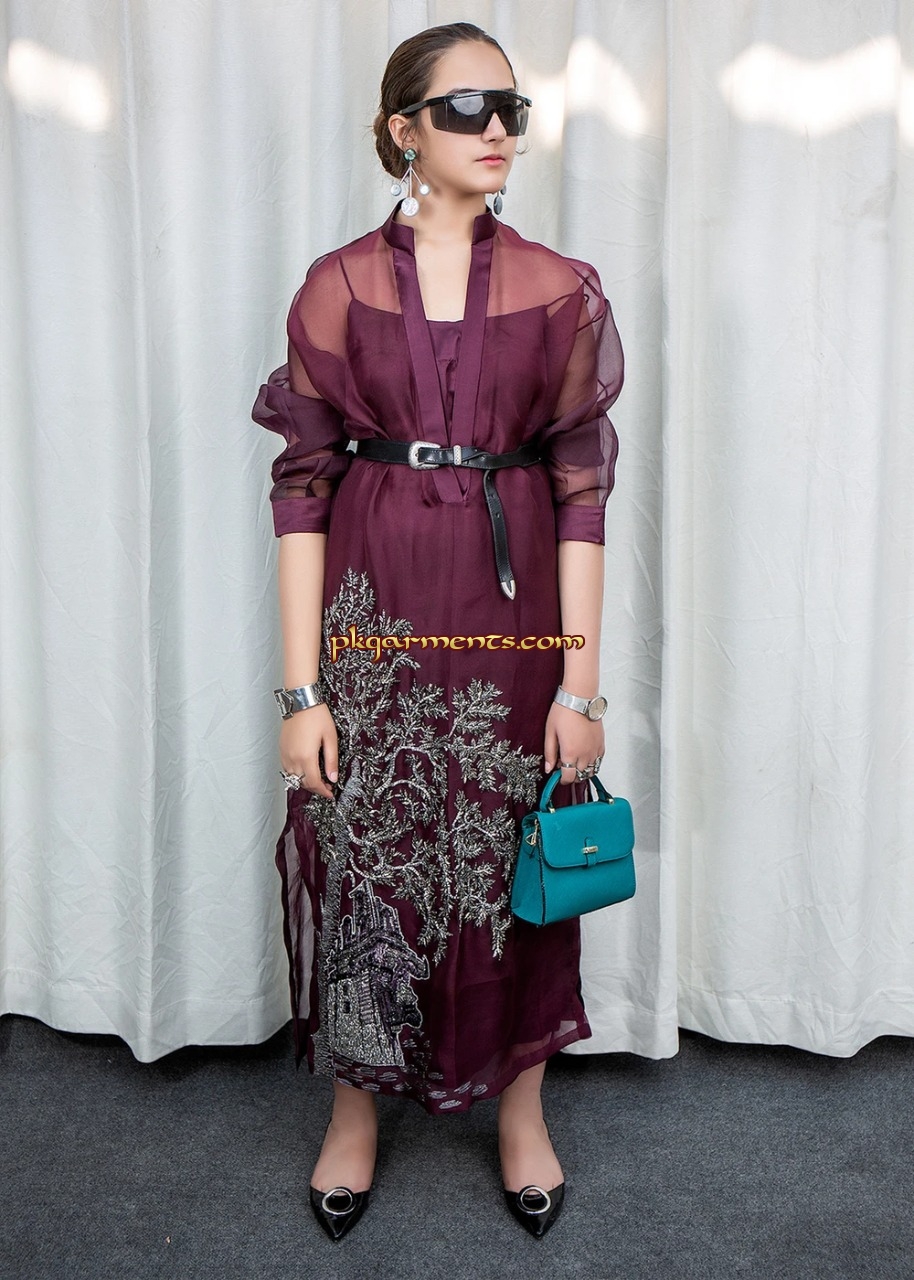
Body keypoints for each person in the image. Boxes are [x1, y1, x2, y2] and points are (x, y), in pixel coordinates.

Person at [251, 20, 623, 1242]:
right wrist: (300, 691)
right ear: (403, 127)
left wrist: (580, 687)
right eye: (467, 107)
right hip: (376, 619)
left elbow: (581, 493)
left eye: (511, 106)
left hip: (514, 628)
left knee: (517, 848)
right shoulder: (338, 286)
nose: (497, 128)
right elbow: (300, 491)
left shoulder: (559, 290)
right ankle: (355, 1109)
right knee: (371, 849)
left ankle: (520, 1108)